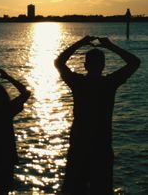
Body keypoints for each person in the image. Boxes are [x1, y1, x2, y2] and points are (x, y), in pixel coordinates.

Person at [54, 36, 140, 195]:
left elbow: (59, 62)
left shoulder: (78, 82)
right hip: (102, 146)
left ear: (85, 65)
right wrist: (110, 46)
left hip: (80, 145)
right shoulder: (109, 83)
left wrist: (80, 43)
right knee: (101, 189)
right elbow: (134, 62)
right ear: (103, 65)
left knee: (73, 189)